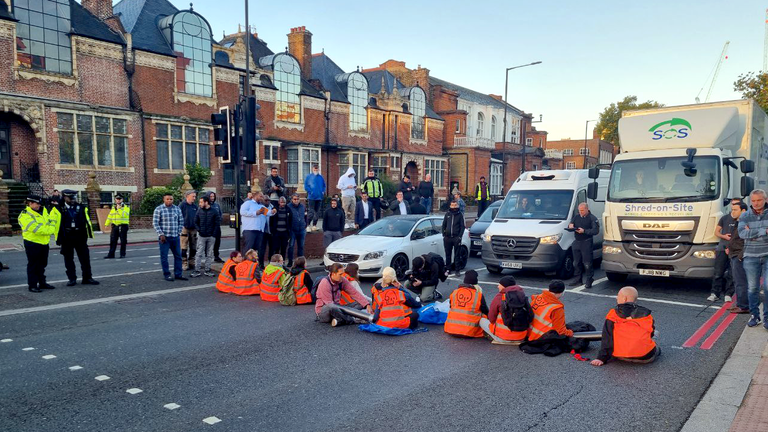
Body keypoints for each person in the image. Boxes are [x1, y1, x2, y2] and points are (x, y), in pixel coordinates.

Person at [591, 286, 659, 366]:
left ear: (624, 299)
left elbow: (607, 337)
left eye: (618, 296)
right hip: (645, 357)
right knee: (656, 336)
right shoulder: (646, 315)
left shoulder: (613, 315)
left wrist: (601, 358)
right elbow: (650, 333)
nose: (617, 298)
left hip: (621, 356)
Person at [738, 189, 768, 329]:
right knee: (753, 288)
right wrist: (764, 231)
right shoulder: (745, 215)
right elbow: (743, 233)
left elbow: (748, 233)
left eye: (759, 200)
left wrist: (752, 233)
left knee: (767, 287)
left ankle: (767, 319)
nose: (756, 203)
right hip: (750, 256)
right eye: (753, 200)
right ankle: (755, 316)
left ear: (765, 200)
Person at [56, 189, 99, 286]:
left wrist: (87, 235)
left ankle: (87, 277)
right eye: (70, 198)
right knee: (68, 258)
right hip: (66, 236)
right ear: (64, 197)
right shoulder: (58, 208)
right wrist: (58, 238)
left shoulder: (81, 207)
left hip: (80, 235)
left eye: (74, 197)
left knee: (85, 258)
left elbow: (86, 222)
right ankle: (72, 278)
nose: (73, 199)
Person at [18, 195, 60, 293]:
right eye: (37, 204)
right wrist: (50, 230)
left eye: (39, 203)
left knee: (42, 264)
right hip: (32, 242)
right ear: (30, 203)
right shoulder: (25, 215)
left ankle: (42, 282)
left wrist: (50, 229)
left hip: (44, 242)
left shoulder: (44, 210)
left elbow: (49, 221)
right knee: (33, 265)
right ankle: (32, 285)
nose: (39, 205)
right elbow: (37, 229)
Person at [480, 275, 531, 344]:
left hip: (502, 338)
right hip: (521, 337)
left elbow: (491, 318)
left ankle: (494, 335)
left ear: (504, 286)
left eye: (499, 285)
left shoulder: (499, 297)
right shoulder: (522, 296)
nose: (498, 286)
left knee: (482, 320)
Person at [709, 198, 741, 302]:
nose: (733, 206)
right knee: (718, 272)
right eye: (732, 204)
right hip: (722, 248)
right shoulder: (724, 218)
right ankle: (715, 293)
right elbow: (716, 232)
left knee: (732, 273)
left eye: (736, 204)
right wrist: (724, 236)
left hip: (735, 250)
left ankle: (728, 294)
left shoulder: (742, 219)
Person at [152, 193, 187, 282]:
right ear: (164, 199)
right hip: (164, 238)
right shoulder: (159, 209)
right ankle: (167, 274)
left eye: (171, 199)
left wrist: (178, 232)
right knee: (164, 257)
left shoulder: (177, 209)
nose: (169, 201)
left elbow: (181, 221)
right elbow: (155, 223)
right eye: (167, 199)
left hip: (175, 237)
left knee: (178, 256)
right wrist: (161, 234)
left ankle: (178, 274)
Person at [444, 270, 488, 337]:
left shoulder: (455, 292)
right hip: (469, 332)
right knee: (484, 316)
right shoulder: (478, 295)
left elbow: (451, 306)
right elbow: (485, 311)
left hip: (451, 330)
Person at [568, 203, 600, 288]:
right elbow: (571, 225)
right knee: (576, 263)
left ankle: (589, 279)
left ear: (587, 209)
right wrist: (571, 226)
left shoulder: (592, 218)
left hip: (586, 242)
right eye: (579, 210)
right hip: (577, 241)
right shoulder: (576, 217)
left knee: (587, 263)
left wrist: (584, 231)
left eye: (582, 210)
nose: (580, 212)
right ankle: (578, 279)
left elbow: (595, 231)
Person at [728, 201, 750, 314]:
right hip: (734, 254)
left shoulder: (746, 223)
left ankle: (744, 306)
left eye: (735, 210)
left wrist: (741, 256)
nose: (732, 212)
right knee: (737, 281)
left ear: (743, 211)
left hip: (739, 255)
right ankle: (740, 304)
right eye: (732, 210)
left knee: (741, 281)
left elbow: (748, 241)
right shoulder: (737, 222)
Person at [240, 192, 273, 267]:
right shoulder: (248, 203)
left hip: (259, 230)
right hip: (250, 230)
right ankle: (245, 265)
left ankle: (253, 266)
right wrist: (255, 213)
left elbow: (268, 213)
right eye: (260, 196)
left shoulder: (261, 206)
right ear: (255, 196)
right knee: (248, 249)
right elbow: (242, 212)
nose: (262, 198)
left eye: (262, 196)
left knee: (256, 250)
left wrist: (273, 212)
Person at [192, 195, 220, 278]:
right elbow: (195, 221)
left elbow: (217, 223)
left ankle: (207, 270)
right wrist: (199, 230)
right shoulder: (199, 211)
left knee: (209, 254)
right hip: (201, 236)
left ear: (206, 202)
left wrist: (214, 234)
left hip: (211, 236)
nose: (199, 204)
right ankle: (197, 270)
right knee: (199, 253)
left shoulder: (214, 211)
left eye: (201, 202)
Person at [442, 200, 465, 275]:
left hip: (456, 237)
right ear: (450, 206)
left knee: (457, 254)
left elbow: (462, 227)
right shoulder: (447, 214)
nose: (454, 207)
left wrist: (459, 237)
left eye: (455, 205)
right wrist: (444, 234)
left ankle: (457, 270)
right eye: (452, 205)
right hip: (447, 238)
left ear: (457, 206)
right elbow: (444, 225)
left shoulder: (460, 215)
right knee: (448, 254)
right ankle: (448, 269)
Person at [104, 194, 130, 259]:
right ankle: (111, 254)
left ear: (122, 200)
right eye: (117, 199)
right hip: (115, 226)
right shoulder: (113, 208)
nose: (118, 200)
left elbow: (123, 215)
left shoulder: (126, 207)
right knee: (113, 241)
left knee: (123, 241)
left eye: (119, 199)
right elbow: (110, 216)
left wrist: (119, 209)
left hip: (123, 226)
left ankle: (122, 254)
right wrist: (106, 224)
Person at [269, 197, 293, 262]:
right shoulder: (275, 209)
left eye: (284, 202)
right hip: (277, 232)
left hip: (285, 232)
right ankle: (275, 262)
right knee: (276, 248)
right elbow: (271, 220)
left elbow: (290, 221)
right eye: (282, 202)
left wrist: (289, 231)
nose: (283, 204)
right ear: (279, 202)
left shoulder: (288, 210)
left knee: (284, 248)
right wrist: (272, 230)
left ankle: (282, 262)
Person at [178, 191, 198, 271]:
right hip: (184, 229)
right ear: (187, 196)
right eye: (193, 196)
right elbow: (178, 216)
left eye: (195, 196)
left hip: (194, 229)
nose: (194, 198)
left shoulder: (195, 206)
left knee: (193, 248)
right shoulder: (182, 205)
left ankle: (191, 262)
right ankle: (184, 263)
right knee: (183, 248)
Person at [304, 165, 326, 232]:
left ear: (318, 169)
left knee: (317, 212)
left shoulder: (321, 177)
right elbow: (306, 186)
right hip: (312, 197)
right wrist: (310, 192)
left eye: (317, 169)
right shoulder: (309, 177)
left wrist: (322, 192)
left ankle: (314, 225)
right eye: (315, 169)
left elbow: (324, 186)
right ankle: (307, 225)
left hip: (319, 197)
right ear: (312, 169)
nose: (316, 170)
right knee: (311, 211)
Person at [287, 194, 307, 267]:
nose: (296, 200)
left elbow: (305, 216)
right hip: (292, 230)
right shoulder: (288, 207)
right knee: (291, 246)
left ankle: (300, 262)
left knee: (301, 246)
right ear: (292, 199)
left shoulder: (303, 207)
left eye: (297, 199)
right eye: (294, 199)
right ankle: (290, 261)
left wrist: (305, 225)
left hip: (301, 229)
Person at [206, 192, 224, 263]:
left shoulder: (217, 205)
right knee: (209, 243)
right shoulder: (206, 205)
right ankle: (208, 257)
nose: (212, 198)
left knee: (217, 242)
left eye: (213, 196)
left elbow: (220, 214)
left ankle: (216, 256)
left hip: (217, 227)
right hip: (209, 227)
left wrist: (219, 221)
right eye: (210, 196)